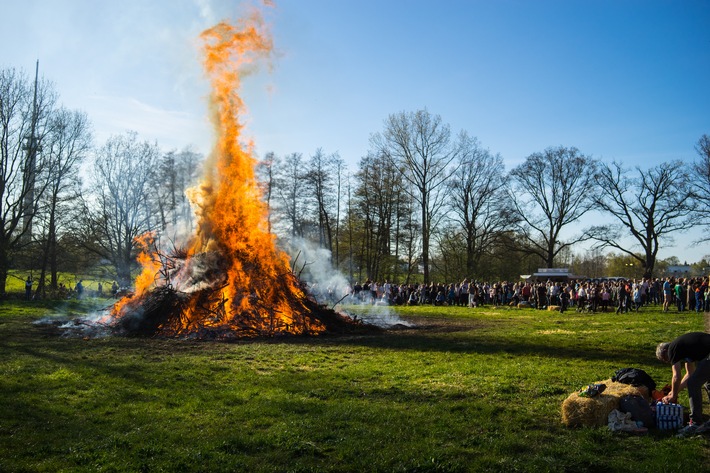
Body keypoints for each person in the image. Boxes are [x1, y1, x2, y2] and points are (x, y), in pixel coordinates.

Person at [656, 332, 710, 437]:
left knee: (693, 384)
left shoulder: (672, 349)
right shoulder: (684, 350)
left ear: (665, 351)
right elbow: (690, 374)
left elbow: (676, 376)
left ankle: (695, 423)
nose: (669, 362)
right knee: (707, 384)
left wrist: (674, 395)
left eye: (665, 360)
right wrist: (673, 392)